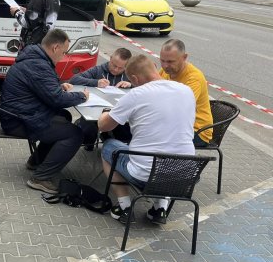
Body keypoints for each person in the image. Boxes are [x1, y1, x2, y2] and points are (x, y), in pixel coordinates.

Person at [98, 54, 196, 224]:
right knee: (164, 155)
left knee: (108, 146)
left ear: (135, 79)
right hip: (183, 175)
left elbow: (104, 126)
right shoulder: (186, 90)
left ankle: (124, 207)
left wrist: (106, 113)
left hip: (145, 175)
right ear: (155, 67)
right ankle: (159, 209)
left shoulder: (136, 94)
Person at [0, 29, 88, 194]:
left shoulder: (35, 58)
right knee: (75, 134)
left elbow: (42, 87)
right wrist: (82, 96)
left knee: (64, 115)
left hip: (19, 114)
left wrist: (58, 86)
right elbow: (57, 99)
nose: (64, 56)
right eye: (64, 52)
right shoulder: (38, 64)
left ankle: (36, 161)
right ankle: (40, 178)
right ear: (55, 48)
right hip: (18, 121)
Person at [69, 48, 133, 149]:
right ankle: (88, 137)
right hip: (95, 112)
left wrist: (131, 84)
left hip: (118, 113)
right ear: (110, 59)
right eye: (114, 65)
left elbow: (147, 87)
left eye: (120, 68)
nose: (116, 70)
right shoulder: (99, 70)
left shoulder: (129, 74)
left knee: (126, 135)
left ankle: (109, 138)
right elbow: (74, 79)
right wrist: (96, 82)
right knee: (87, 134)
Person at [158, 39, 213, 147]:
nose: (165, 66)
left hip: (197, 131)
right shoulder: (166, 71)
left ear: (184, 57)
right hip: (174, 125)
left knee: (151, 137)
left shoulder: (194, 78)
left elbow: (180, 108)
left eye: (170, 62)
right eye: (162, 61)